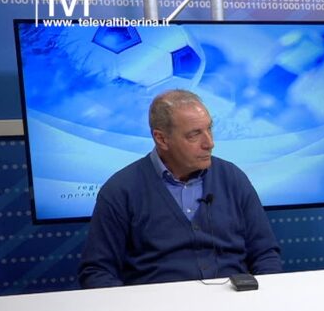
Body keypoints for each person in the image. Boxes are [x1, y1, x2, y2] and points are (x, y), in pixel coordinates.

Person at [79, 90, 282, 288]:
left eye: (209, 129)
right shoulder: (121, 190)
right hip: (157, 307)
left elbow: (265, 254)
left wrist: (263, 298)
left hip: (233, 302)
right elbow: (97, 272)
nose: (209, 143)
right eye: (194, 135)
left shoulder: (232, 178)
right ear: (161, 139)